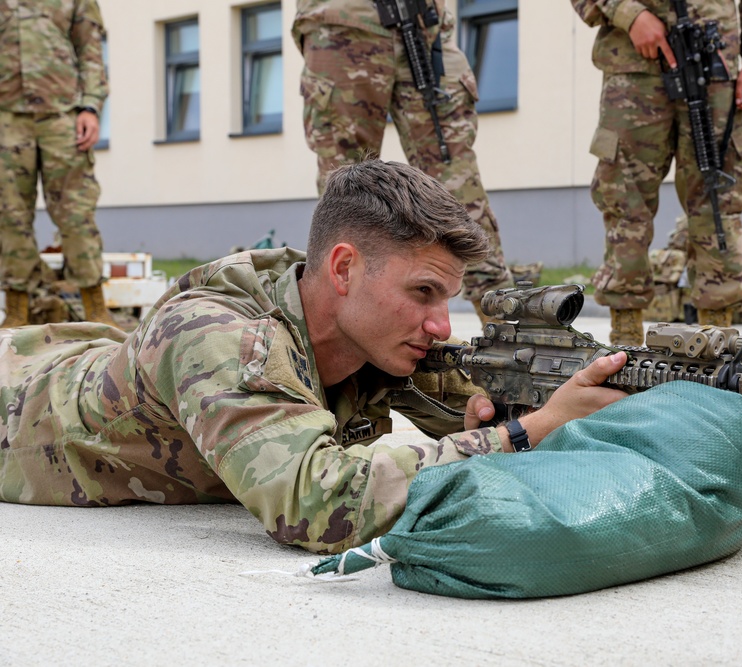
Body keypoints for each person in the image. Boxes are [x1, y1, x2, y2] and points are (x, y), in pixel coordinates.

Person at [0, 159, 629, 554]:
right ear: (345, 268)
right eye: (422, 293)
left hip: (88, 353)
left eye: (448, 299)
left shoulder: (377, 340)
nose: (440, 325)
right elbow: (314, 506)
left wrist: (525, 411)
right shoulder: (217, 339)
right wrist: (527, 433)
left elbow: (495, 409)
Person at [571, 0, 742, 345]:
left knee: (718, 197)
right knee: (624, 198)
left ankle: (717, 338)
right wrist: (631, 13)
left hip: (713, 63)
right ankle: (625, 337)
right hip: (633, 63)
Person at [291, 0, 513, 325]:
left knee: (458, 187)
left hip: (425, 22)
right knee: (348, 192)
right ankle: (340, 335)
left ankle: (504, 326)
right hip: (345, 20)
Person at [0, 0, 116, 328]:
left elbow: (90, 48)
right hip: (5, 117)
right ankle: (17, 312)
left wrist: (90, 108)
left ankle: (95, 308)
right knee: (9, 215)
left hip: (63, 115)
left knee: (76, 212)